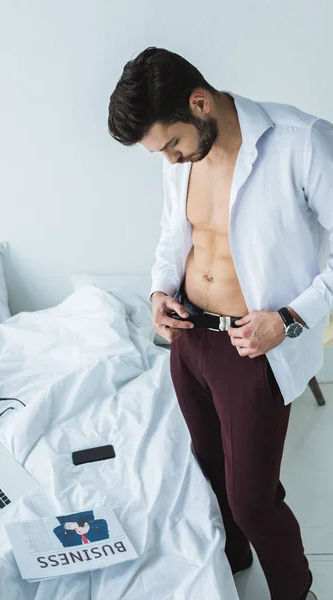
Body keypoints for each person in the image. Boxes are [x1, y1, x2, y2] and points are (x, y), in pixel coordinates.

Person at [107, 46, 332, 600]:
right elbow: (173, 234)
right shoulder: (180, 161)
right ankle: (229, 562)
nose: (171, 160)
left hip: (252, 346)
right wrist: (160, 290)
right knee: (209, 472)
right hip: (189, 342)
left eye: (173, 145)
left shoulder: (300, 141)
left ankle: (295, 590)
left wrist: (290, 319)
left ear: (199, 102)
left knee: (253, 497)